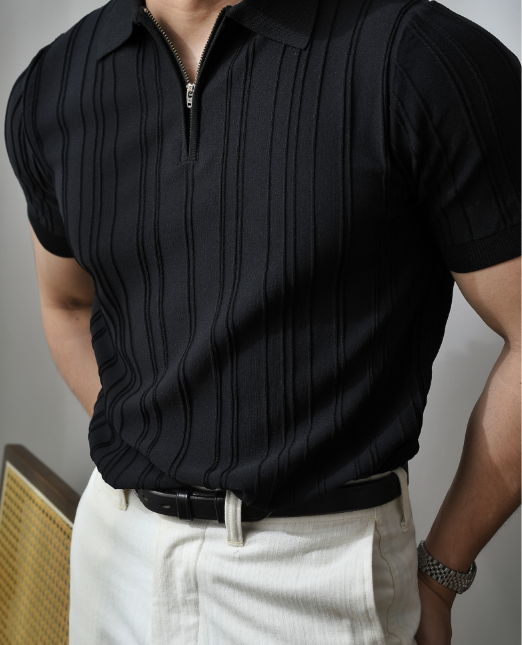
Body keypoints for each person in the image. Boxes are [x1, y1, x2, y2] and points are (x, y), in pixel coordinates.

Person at [4, 0, 520, 642]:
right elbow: (68, 304)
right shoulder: (54, 84)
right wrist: (157, 451)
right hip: (114, 556)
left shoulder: (418, 54)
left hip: (316, 578)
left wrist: (441, 574)